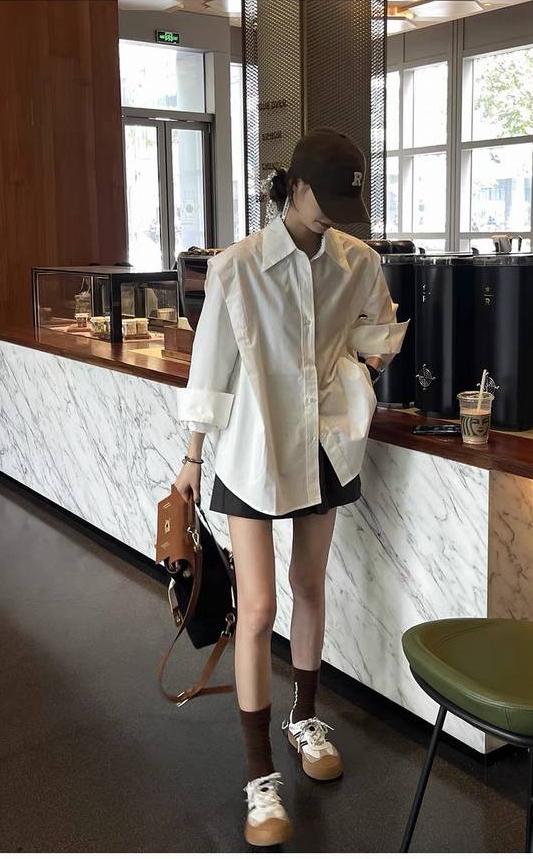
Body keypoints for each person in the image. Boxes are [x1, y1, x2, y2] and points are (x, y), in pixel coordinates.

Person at [174, 127, 409, 847]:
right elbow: (211, 366)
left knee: (309, 584)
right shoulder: (238, 266)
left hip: (325, 446)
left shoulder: (358, 260)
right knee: (257, 607)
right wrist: (191, 458)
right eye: (325, 198)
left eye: (346, 202)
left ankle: (305, 719)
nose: (334, 214)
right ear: (296, 187)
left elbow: (379, 332)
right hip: (254, 448)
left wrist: (353, 376)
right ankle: (258, 774)